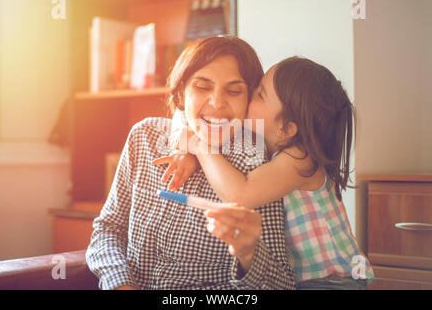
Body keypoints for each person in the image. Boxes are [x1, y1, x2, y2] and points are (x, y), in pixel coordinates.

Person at [85, 36, 296, 290]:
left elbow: (281, 285)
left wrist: (249, 254)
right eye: (202, 86)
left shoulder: (256, 163)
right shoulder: (144, 137)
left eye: (233, 90)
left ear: (249, 100)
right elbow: (107, 229)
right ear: (182, 92)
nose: (217, 103)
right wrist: (120, 284)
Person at [153, 56, 375, 290]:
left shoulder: (300, 159)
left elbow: (240, 195)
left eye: (259, 94)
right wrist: (185, 152)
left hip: (332, 281)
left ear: (287, 128)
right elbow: (183, 114)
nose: (249, 94)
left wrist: (199, 147)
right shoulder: (267, 144)